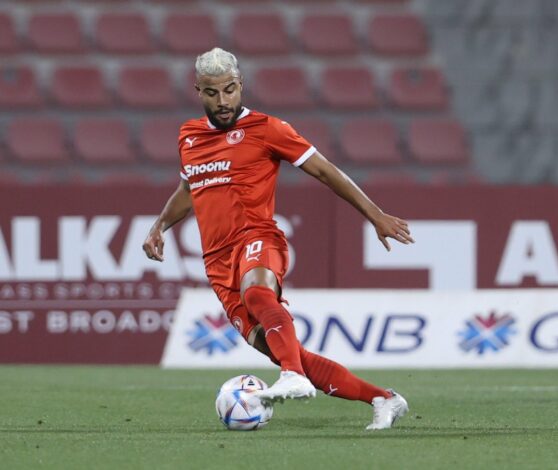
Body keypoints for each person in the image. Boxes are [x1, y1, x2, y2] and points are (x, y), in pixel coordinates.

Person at [142, 47, 413, 430]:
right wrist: (159, 225)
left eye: (230, 90)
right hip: (217, 262)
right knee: (286, 352)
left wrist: (374, 214)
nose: (223, 101)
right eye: (212, 93)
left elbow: (325, 170)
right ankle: (383, 398)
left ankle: (292, 375)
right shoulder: (189, 136)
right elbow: (189, 189)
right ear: (198, 91)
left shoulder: (268, 129)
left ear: (241, 85)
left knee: (258, 293)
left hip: (257, 236)